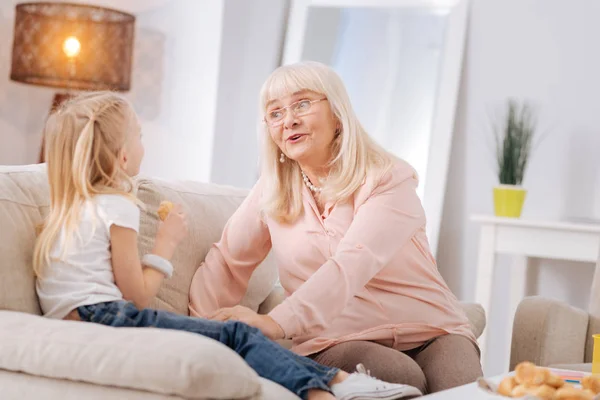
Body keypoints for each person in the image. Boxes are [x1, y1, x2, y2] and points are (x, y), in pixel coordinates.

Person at [33, 91, 422, 400]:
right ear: (121, 155)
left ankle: (333, 388)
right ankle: (337, 386)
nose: (141, 145)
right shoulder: (118, 206)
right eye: (139, 136)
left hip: (73, 323)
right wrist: (165, 246)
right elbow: (135, 297)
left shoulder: (63, 211)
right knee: (237, 334)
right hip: (107, 319)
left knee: (235, 335)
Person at [189, 61, 483, 394]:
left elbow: (352, 263)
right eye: (275, 113)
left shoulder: (387, 178)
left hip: (433, 328)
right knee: (399, 376)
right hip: (336, 337)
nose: (289, 120)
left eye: (302, 104)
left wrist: (275, 322)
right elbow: (228, 261)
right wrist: (196, 331)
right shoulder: (271, 191)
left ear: (337, 114)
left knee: (463, 390)